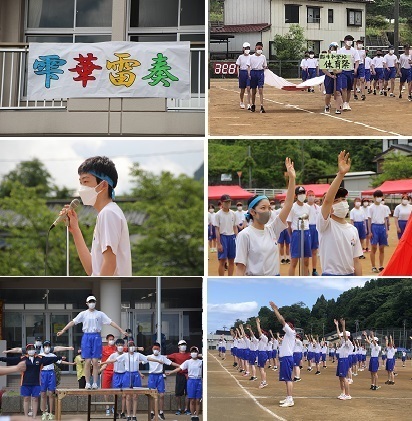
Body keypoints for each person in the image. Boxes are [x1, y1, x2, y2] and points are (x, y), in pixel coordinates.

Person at [63, 156, 132, 276]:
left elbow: (110, 264)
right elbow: (92, 270)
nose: (82, 188)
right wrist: (75, 229)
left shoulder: (108, 213)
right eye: (80, 183)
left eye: (86, 181)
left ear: (103, 185)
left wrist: (99, 293)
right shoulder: (106, 213)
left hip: (110, 293)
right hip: (107, 291)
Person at [235, 157, 296, 276]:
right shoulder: (244, 235)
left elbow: (288, 205)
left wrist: (292, 178)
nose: (267, 211)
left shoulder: (272, 229)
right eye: (263, 208)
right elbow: (240, 268)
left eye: (268, 208)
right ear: (252, 212)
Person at [57, 295, 127, 390]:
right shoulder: (83, 314)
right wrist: (63, 330)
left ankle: (94, 382)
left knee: (95, 361)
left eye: (93, 301)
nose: (92, 303)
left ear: (95, 302)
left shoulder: (100, 314)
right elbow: (73, 322)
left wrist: (121, 330)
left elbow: (111, 322)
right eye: (90, 301)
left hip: (96, 336)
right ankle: (87, 383)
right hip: (86, 336)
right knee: (87, 361)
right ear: (87, 303)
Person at [317, 151, 363, 276]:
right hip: (330, 275)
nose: (342, 203)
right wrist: (341, 174)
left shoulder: (353, 229)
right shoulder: (324, 225)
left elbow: (357, 262)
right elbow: (327, 201)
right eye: (336, 201)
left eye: (343, 199)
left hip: (350, 275)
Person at [0, 344, 63, 419]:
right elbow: (11, 360)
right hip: (25, 382)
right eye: (29, 349)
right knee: (26, 399)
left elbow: (50, 359)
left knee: (35, 399)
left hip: (36, 383)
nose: (31, 350)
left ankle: (34, 417)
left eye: (32, 348)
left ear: (35, 350)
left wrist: (59, 357)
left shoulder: (40, 358)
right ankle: (26, 417)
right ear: (26, 351)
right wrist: (1, 358)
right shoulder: (23, 358)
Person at [269, 300, 296, 408]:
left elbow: (281, 320)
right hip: (285, 358)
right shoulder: (288, 335)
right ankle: (288, 397)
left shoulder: (290, 332)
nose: (286, 324)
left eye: (288, 324)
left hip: (287, 358)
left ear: (291, 326)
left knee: (288, 379)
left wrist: (275, 310)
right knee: (286, 379)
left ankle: (290, 399)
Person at [39, 341, 74, 421]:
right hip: (43, 374)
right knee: (43, 394)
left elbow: (60, 361)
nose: (47, 347)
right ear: (43, 347)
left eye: (48, 346)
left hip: (51, 373)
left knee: (51, 393)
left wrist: (71, 364)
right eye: (45, 346)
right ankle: (44, 413)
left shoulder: (52, 355)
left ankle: (51, 413)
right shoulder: (40, 356)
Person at [167, 347, 203, 421]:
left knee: (198, 400)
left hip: (198, 380)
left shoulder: (201, 362)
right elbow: (180, 368)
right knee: (192, 399)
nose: (194, 353)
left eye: (195, 351)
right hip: (191, 380)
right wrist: (171, 372)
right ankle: (192, 415)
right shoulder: (188, 362)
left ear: (197, 352)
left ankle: (197, 415)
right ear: (190, 353)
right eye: (192, 351)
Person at [147, 342, 180, 420]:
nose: (156, 350)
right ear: (152, 349)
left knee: (161, 395)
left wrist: (180, 365)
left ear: (160, 349)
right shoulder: (149, 357)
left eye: (157, 349)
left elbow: (170, 363)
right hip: (152, 376)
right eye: (154, 349)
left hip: (160, 376)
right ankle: (152, 412)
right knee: (151, 395)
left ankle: (161, 412)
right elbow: (141, 361)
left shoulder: (162, 357)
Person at [287, 186, 312, 276]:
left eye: (303, 193)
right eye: (300, 193)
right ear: (296, 195)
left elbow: (308, 220)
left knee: (306, 261)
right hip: (296, 232)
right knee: (294, 261)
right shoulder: (292, 207)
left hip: (306, 232)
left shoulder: (308, 207)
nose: (302, 195)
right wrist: (292, 236)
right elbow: (288, 224)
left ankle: (306, 277)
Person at [214, 194, 238, 276]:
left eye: (229, 202)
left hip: (232, 237)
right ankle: (221, 278)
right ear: (221, 203)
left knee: (231, 260)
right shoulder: (218, 215)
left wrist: (237, 239)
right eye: (226, 202)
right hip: (223, 237)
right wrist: (219, 243)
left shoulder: (233, 214)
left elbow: (235, 227)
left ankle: (230, 277)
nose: (228, 204)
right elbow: (216, 229)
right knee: (222, 260)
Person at [167, 340, 192, 416]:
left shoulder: (189, 355)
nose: (183, 346)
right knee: (178, 393)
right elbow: (166, 358)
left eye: (184, 344)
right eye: (181, 345)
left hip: (188, 376)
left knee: (188, 393)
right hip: (179, 375)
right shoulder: (175, 355)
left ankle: (186, 409)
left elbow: (198, 355)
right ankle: (179, 408)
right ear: (178, 346)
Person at [337, 34, 360, 111]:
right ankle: (344, 103)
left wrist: (356, 68)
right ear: (345, 41)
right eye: (348, 40)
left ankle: (347, 102)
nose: (350, 42)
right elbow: (337, 60)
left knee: (349, 89)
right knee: (344, 87)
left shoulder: (354, 51)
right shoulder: (340, 50)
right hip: (343, 71)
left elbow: (357, 61)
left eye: (351, 41)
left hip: (351, 71)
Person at [368, 190, 389, 272]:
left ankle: (381, 265)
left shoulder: (384, 208)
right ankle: (373, 266)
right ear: (374, 197)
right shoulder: (371, 208)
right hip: (374, 226)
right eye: (377, 196)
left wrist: (386, 230)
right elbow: (369, 220)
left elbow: (385, 219)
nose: (379, 198)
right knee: (373, 247)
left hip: (382, 227)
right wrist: (370, 231)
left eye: (380, 196)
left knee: (382, 248)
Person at [322, 42, 344, 114]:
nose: (334, 50)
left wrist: (337, 72)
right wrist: (331, 75)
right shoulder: (325, 58)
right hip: (329, 76)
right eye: (332, 48)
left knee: (338, 92)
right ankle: (327, 105)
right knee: (328, 94)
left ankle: (338, 108)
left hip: (338, 76)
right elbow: (324, 69)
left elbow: (341, 69)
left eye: (335, 48)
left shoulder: (340, 58)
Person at [334, 319, 352, 400]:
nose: (341, 336)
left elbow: (344, 335)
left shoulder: (348, 342)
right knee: (340, 378)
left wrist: (343, 326)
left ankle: (347, 394)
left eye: (344, 335)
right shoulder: (343, 342)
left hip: (344, 360)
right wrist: (337, 325)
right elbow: (339, 335)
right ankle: (343, 392)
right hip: (341, 360)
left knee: (344, 378)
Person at [249, 41, 267, 113]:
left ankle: (262, 106)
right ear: (255, 48)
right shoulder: (251, 57)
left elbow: (265, 65)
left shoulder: (263, 57)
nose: (259, 49)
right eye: (258, 48)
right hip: (253, 72)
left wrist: (265, 69)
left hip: (260, 72)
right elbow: (249, 66)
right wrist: (249, 74)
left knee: (260, 90)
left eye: (261, 48)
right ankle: (253, 105)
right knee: (253, 91)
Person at [307, 190, 320, 275]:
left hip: (315, 228)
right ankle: (306, 269)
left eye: (312, 195)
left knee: (314, 250)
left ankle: (314, 269)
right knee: (307, 251)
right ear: (307, 197)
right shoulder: (304, 207)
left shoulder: (317, 208)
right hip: (307, 228)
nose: (311, 197)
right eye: (309, 195)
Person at [236, 42, 251, 110]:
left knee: (248, 88)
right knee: (242, 90)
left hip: (248, 73)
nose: (247, 49)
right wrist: (238, 73)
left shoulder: (251, 57)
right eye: (246, 48)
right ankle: (241, 102)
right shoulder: (240, 57)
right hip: (242, 73)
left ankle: (248, 103)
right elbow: (238, 66)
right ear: (243, 49)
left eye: (248, 48)